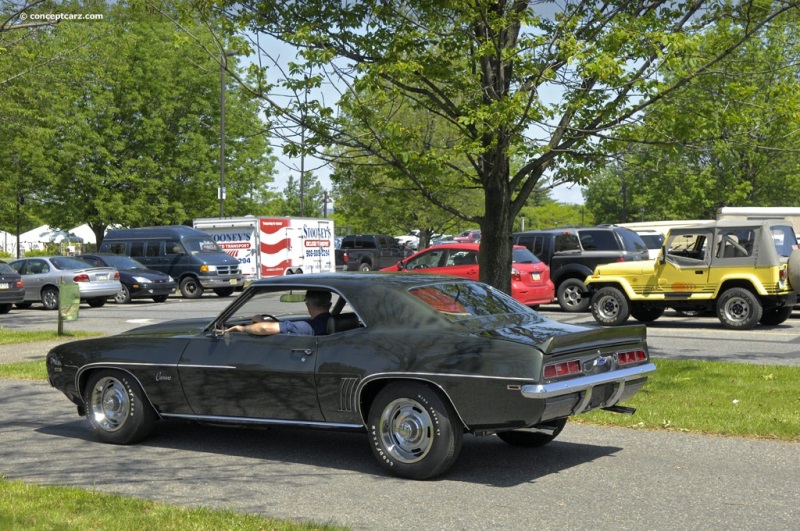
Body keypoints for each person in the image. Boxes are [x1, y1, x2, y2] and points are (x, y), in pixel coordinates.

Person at [224, 290, 332, 336]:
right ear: (330, 305)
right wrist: (263, 321)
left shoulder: (309, 327)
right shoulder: (331, 322)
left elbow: (265, 328)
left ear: (308, 305)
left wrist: (242, 328)